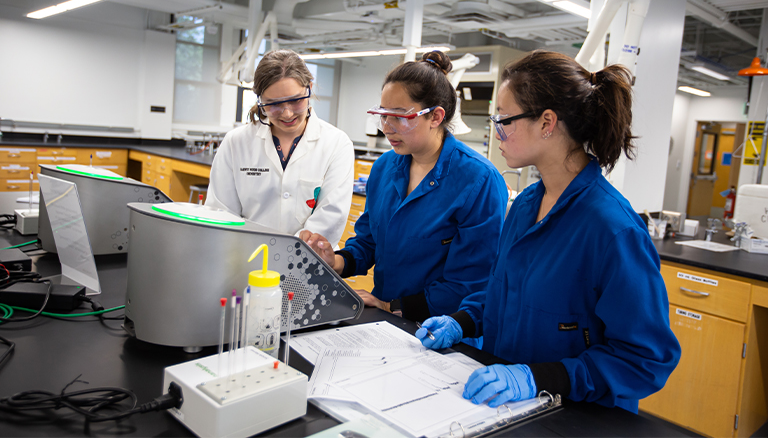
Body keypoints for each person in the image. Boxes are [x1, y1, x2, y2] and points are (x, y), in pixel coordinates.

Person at [416, 50, 681, 413]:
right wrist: (462, 321)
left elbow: (646, 358)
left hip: (576, 417)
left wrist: (540, 379)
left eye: (504, 120)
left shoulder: (613, 230)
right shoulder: (526, 205)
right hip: (501, 405)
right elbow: (503, 292)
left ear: (547, 123)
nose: (498, 133)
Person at [301, 51, 508, 322]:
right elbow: (369, 241)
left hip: (444, 328)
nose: (387, 127)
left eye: (399, 116)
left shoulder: (478, 180)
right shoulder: (385, 168)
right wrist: (336, 261)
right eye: (383, 115)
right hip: (385, 317)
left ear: (435, 116)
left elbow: (470, 282)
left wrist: (392, 307)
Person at [206, 49, 354, 246]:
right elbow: (221, 212)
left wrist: (286, 256)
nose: (287, 113)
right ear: (260, 101)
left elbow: (330, 217)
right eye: (274, 104)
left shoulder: (336, 143)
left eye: (295, 100)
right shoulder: (236, 142)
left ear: (309, 88)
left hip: (307, 262)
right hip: (247, 259)